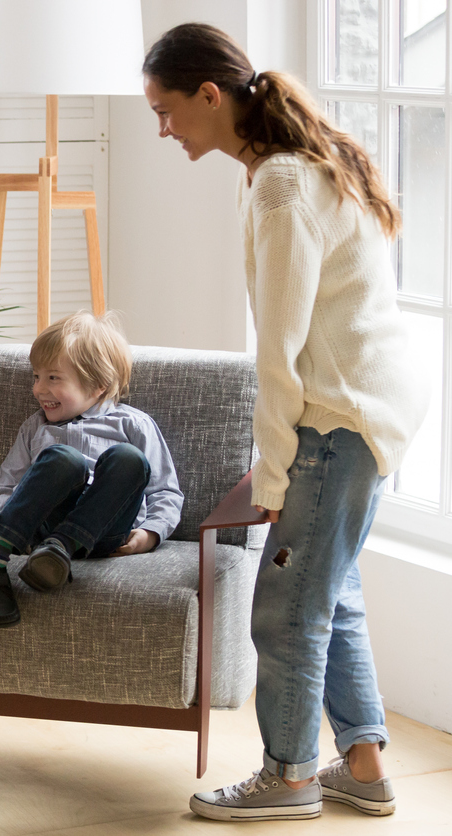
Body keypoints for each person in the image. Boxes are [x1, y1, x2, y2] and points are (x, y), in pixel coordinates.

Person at [142, 23, 427, 822]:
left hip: (339, 420)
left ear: (210, 94)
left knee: (286, 606)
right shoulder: (294, 168)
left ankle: (291, 774)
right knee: (328, 593)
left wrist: (271, 477)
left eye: (166, 110)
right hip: (368, 409)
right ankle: (362, 764)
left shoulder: (278, 185)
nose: (162, 129)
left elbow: (279, 351)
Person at [0, 312, 183, 627]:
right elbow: (7, 488)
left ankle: (62, 548)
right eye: (36, 376)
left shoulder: (133, 424)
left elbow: (165, 490)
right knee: (65, 459)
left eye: (53, 378)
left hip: (107, 533)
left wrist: (150, 535)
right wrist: (20, 533)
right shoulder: (34, 427)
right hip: (43, 531)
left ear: (97, 385)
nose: (39, 389)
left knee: (129, 459)